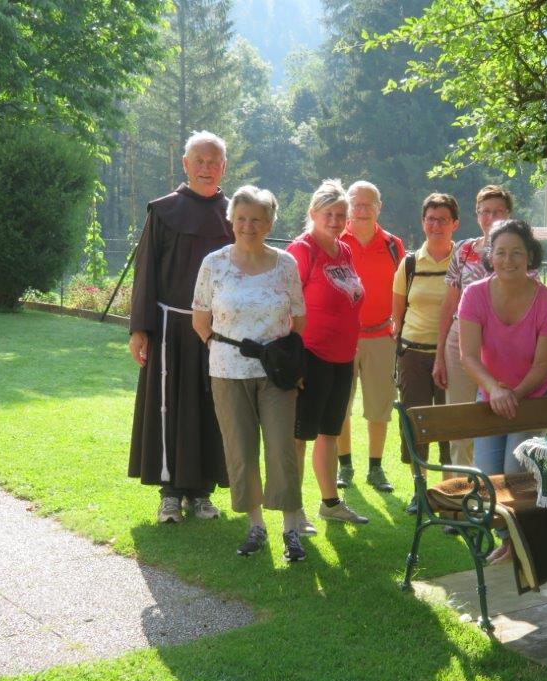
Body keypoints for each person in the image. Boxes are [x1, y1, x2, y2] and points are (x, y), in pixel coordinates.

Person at [192, 186, 308, 562]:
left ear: (270, 223)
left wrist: (281, 356)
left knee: (281, 448)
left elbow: (299, 318)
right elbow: (200, 320)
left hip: (276, 374)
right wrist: (224, 350)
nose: (248, 226)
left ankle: (291, 529)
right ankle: (255, 526)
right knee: (240, 451)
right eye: (241, 218)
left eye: (257, 219)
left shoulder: (285, 264)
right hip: (227, 372)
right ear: (231, 221)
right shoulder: (214, 264)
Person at [128, 131, 232, 524]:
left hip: (218, 333)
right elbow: (146, 273)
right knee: (168, 408)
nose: (206, 168)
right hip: (170, 329)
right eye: (199, 161)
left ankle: (202, 493)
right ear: (185, 164)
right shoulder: (163, 211)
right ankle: (170, 494)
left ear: (223, 167)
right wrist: (140, 329)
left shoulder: (236, 214)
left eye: (213, 161)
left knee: (212, 408)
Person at [458, 220, 547, 563]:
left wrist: (513, 395)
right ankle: (510, 539)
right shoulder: (474, 294)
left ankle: (519, 544)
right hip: (494, 389)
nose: (508, 260)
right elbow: (468, 356)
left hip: (537, 390)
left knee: (514, 468)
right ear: (490, 256)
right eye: (500, 252)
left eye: (517, 252)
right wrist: (494, 390)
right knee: (489, 473)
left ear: (530, 255)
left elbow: (543, 364)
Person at [288, 180, 369, 527]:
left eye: (340, 215)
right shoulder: (302, 250)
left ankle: (330, 504)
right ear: (313, 213)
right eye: (328, 214)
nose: (335, 221)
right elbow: (286, 306)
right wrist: (294, 363)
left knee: (329, 434)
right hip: (310, 356)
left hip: (342, 358)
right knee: (299, 437)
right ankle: (293, 511)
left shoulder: (344, 250)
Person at [433, 185, 514, 468]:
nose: (491, 217)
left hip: (502, 342)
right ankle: (460, 486)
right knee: (460, 418)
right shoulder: (464, 250)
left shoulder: (518, 250)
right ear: (477, 214)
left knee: (497, 413)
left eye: (497, 211)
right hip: (460, 338)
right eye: (485, 212)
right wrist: (439, 353)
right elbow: (449, 303)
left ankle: (493, 482)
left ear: (508, 214)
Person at [336, 181, 404, 493]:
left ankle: (375, 469)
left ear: (379, 207)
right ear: (348, 206)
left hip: (382, 337)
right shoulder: (335, 240)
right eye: (356, 203)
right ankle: (345, 466)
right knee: (340, 405)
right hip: (341, 338)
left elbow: (403, 291)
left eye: (368, 204)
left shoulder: (393, 245)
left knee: (380, 407)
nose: (362, 210)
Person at [394, 193, 459, 502]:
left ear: (455, 224)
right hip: (414, 355)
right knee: (415, 423)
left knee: (449, 425)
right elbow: (397, 314)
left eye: (442, 220)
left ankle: (448, 493)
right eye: (431, 219)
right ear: (422, 222)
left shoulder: (462, 261)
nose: (436, 225)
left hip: (453, 356)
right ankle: (419, 493)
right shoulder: (409, 263)